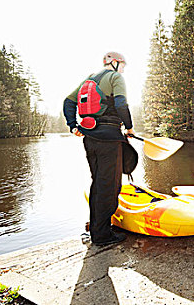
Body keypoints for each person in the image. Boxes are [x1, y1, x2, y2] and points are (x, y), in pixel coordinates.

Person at [63, 51, 134, 246]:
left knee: (98, 183)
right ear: (115, 63)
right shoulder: (115, 77)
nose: (124, 69)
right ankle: (103, 235)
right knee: (109, 186)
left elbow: (68, 102)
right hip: (110, 140)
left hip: (90, 139)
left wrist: (73, 125)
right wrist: (129, 127)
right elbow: (121, 104)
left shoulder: (88, 79)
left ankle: (97, 230)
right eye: (123, 65)